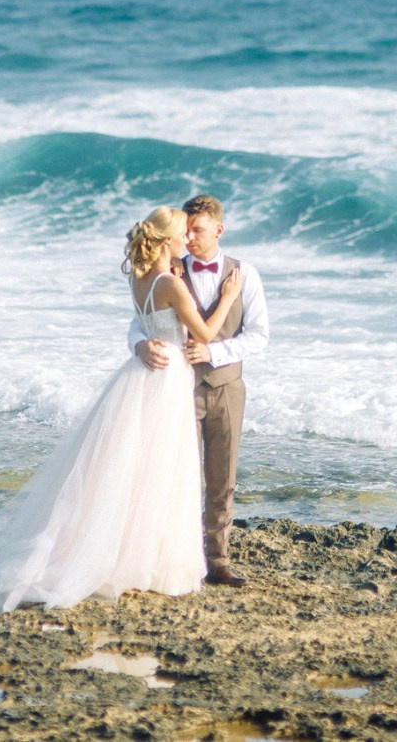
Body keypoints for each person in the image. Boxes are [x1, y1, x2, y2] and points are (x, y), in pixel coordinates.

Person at [0, 207, 242, 614]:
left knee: (136, 471)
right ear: (167, 241)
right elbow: (206, 333)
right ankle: (144, 562)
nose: (188, 239)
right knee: (159, 470)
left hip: (144, 377)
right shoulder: (170, 283)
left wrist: (143, 340)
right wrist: (228, 297)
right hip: (166, 380)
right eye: (183, 233)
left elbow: (147, 321)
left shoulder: (141, 277)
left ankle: (129, 557)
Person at [129, 193, 269, 587]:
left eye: (199, 231)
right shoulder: (169, 271)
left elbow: (259, 335)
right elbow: (140, 321)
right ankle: (179, 559)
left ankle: (218, 562)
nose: (190, 237)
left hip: (227, 388)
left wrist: (215, 352)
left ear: (219, 230)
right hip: (179, 389)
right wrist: (139, 346)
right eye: (186, 230)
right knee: (178, 477)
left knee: (222, 478)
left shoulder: (245, 274)